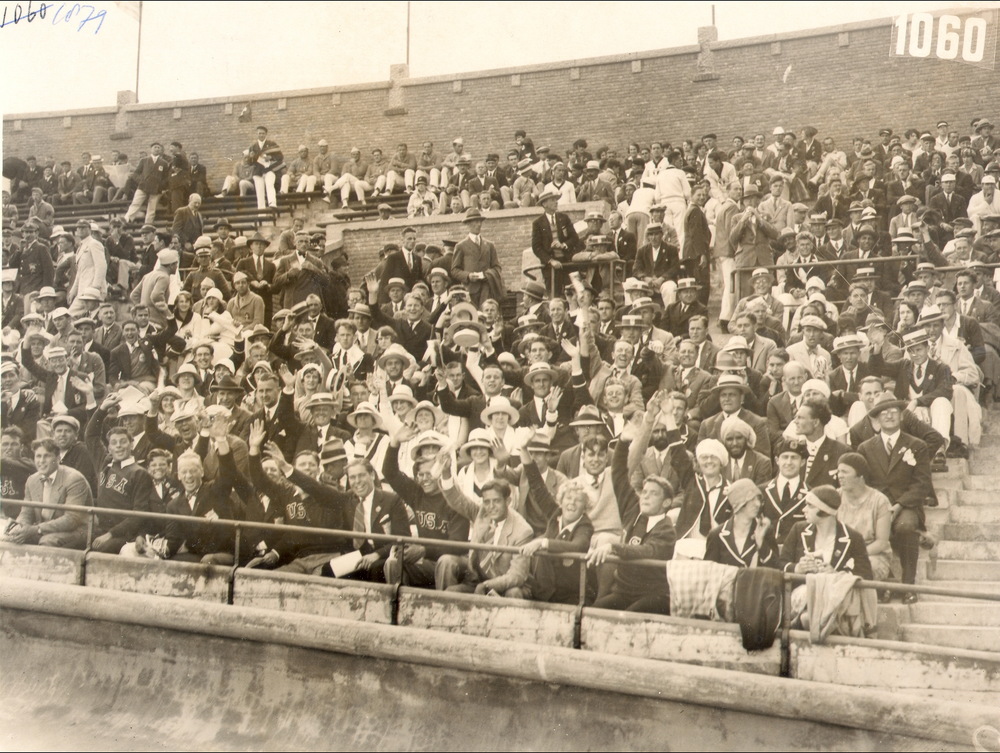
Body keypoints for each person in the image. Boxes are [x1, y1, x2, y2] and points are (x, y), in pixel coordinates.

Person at [857, 393, 934, 603]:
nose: (889, 416)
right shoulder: (865, 448)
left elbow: (922, 483)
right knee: (870, 528)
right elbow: (864, 483)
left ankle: (908, 586)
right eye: (883, 413)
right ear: (876, 419)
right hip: (876, 505)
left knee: (905, 526)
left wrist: (899, 505)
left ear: (901, 416)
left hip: (906, 504)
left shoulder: (917, 445)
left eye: (894, 411)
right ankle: (885, 585)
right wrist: (880, 506)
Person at [436, 453, 533, 597]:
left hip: (504, 585)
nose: (491, 507)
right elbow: (457, 500)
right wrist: (445, 473)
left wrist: (487, 585)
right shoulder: (483, 512)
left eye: (496, 501)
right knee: (447, 565)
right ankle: (441, 606)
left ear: (508, 501)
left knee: (514, 592)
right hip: (477, 579)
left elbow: (516, 576)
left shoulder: (523, 530)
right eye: (487, 502)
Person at [4, 438, 93, 549]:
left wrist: (35, 529)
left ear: (58, 458)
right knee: (11, 537)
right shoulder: (32, 480)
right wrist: (20, 527)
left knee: (47, 541)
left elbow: (71, 519)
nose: (41, 461)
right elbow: (26, 513)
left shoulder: (74, 479)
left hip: (77, 530)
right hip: (45, 529)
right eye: (38, 456)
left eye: (46, 456)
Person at [835, 452, 893, 583]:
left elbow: (881, 542)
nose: (840, 476)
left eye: (845, 472)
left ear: (860, 476)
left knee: (858, 570)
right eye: (838, 471)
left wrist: (853, 556)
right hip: (840, 552)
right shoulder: (835, 497)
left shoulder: (880, 501)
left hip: (871, 554)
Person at [704, 478, 778, 568]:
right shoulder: (717, 535)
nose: (757, 504)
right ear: (738, 504)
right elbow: (709, 570)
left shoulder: (766, 531)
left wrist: (761, 544)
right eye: (752, 499)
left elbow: (776, 569)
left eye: (758, 499)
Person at [451, 209, 505, 306]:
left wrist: (487, 275)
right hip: (470, 291)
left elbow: (497, 267)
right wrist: (468, 276)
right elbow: (454, 270)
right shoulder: (461, 246)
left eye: (480, 222)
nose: (479, 224)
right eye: (475, 222)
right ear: (468, 224)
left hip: (487, 289)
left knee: (486, 313)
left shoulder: (489, 245)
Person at [125, 142, 169, 225]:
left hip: (156, 189)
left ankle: (148, 224)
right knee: (136, 203)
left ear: (161, 150)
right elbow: (136, 173)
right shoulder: (144, 160)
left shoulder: (164, 163)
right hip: (143, 187)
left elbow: (166, 177)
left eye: (158, 147)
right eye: (155, 147)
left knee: (152, 207)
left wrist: (161, 186)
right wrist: (141, 181)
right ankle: (127, 220)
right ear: (151, 149)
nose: (157, 149)